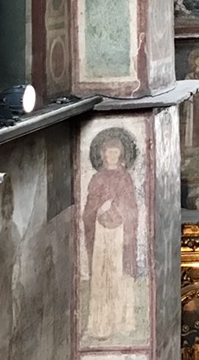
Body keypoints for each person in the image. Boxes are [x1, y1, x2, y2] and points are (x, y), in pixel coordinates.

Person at [83, 129, 139, 340]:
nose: (112, 155)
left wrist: (117, 209)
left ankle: (121, 322)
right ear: (103, 154)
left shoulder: (125, 178)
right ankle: (101, 325)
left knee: (119, 273)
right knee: (102, 274)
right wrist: (99, 209)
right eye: (109, 152)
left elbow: (132, 207)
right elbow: (88, 209)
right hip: (101, 234)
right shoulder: (97, 178)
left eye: (116, 152)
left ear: (121, 154)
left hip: (119, 234)